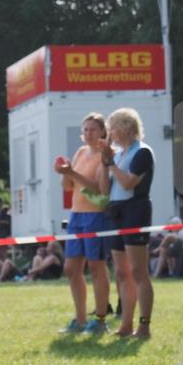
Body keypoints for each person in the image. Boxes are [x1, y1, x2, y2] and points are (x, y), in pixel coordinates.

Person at [54, 112, 112, 334]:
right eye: (85, 129)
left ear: (102, 132)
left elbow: (98, 188)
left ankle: (100, 319)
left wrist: (72, 173)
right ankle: (80, 320)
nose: (88, 133)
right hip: (76, 214)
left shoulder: (106, 154)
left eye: (93, 129)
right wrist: (64, 173)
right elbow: (68, 187)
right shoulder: (80, 152)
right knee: (71, 269)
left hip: (95, 214)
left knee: (96, 267)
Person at [100, 107, 154, 339]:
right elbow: (104, 190)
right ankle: (126, 324)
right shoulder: (119, 154)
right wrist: (105, 162)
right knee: (122, 272)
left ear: (127, 128)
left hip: (135, 211)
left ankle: (144, 326)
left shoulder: (142, 152)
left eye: (112, 128)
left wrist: (112, 164)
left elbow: (129, 183)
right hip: (116, 211)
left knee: (138, 271)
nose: (109, 133)